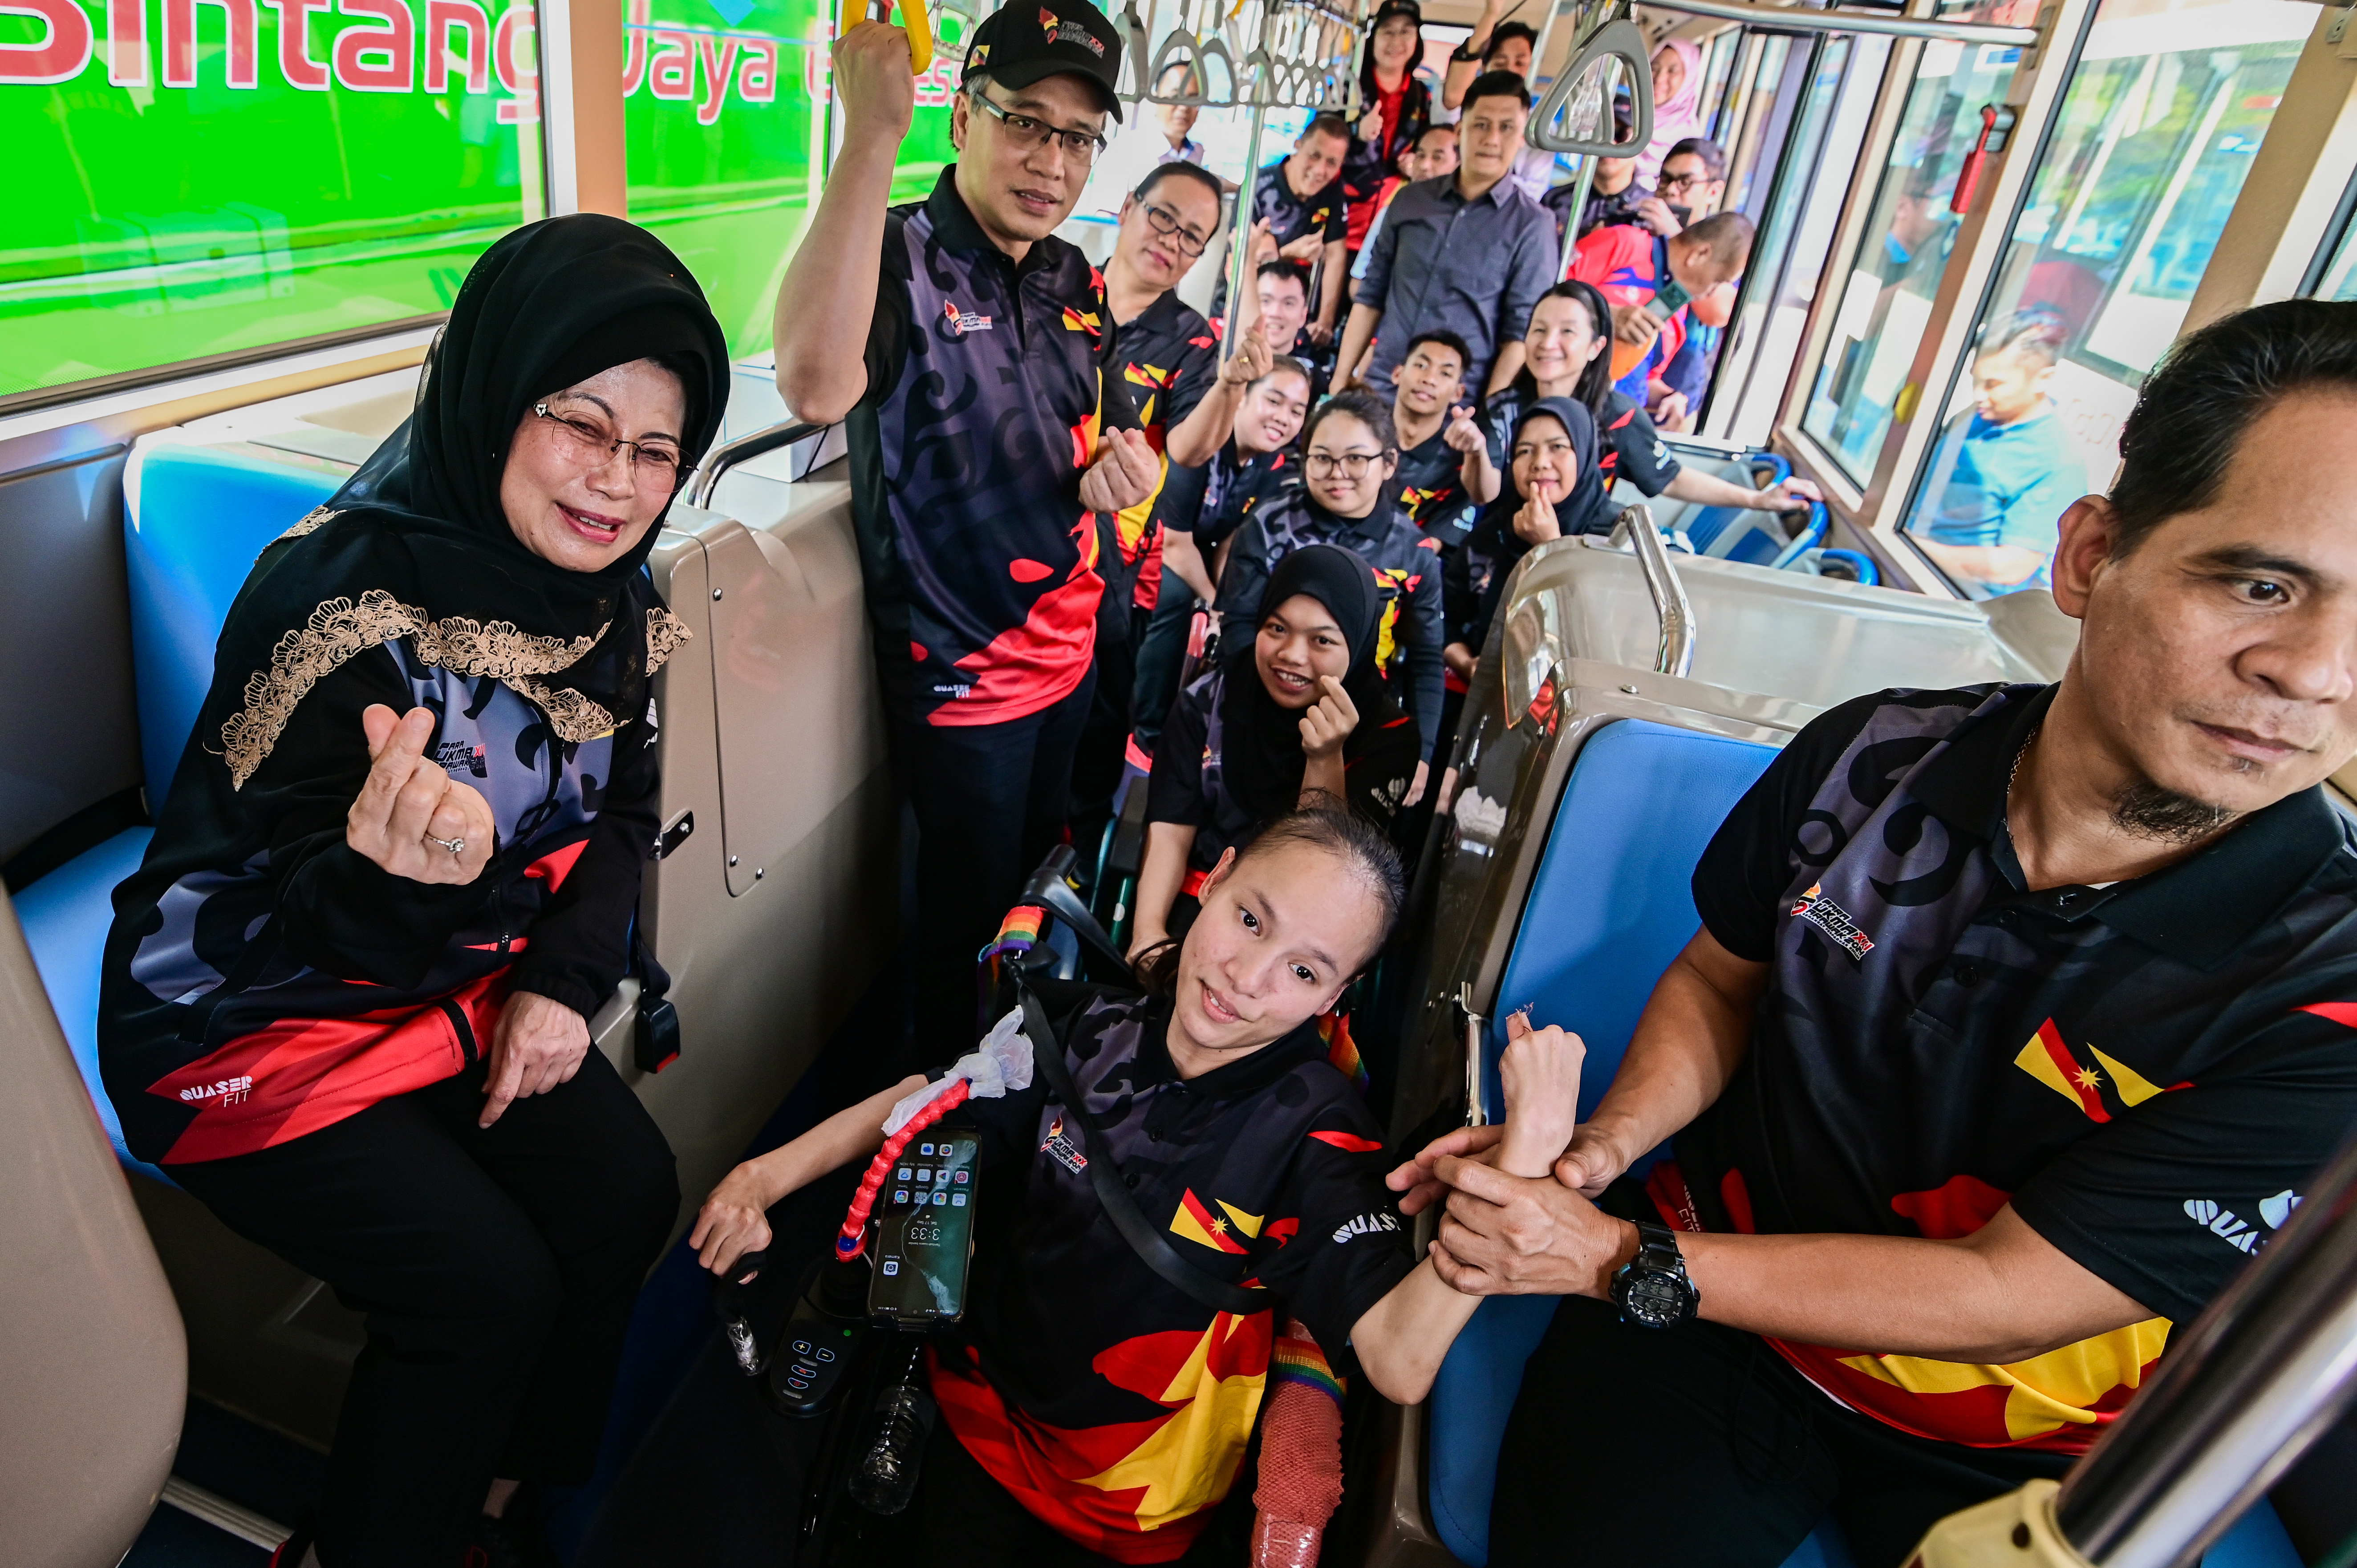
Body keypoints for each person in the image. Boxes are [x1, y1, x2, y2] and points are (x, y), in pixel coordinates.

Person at [1392, 297, 2357, 1565]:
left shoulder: (2324, 997)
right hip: (1711, 1310)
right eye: (2259, 584)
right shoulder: (1871, 761)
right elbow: (1721, 981)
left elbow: (2009, 1291)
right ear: (2088, 557)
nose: (2314, 673)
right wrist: (1603, 1148)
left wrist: (1612, 1255)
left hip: (2021, 1437)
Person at [95, 214, 726, 1568]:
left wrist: (561, 984)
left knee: (625, 1190)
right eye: (581, 423)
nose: (616, 480)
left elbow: (622, 810)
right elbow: (295, 909)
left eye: (655, 449)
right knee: (482, 1295)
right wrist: (396, 881)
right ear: (497, 395)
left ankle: (493, 1498)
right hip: (250, 1010)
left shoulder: (613, 598)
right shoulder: (337, 604)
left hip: (457, 976)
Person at [691, 806, 1553, 1563]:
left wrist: (1525, 1161)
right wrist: (763, 1176)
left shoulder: (1317, 1135)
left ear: (1336, 993)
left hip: (1135, 1507)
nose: (1247, 978)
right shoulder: (1087, 1027)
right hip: (982, 1427)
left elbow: (1400, 1357)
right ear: (1215, 879)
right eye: (1251, 919)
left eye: (1303, 970)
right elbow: (935, 1094)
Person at [771, 0, 1162, 1050]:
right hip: (965, 682)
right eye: (1024, 122)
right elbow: (812, 383)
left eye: (1077, 138)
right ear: (961, 117)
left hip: (1073, 651)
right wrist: (868, 135)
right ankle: (948, 1111)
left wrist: (1123, 471)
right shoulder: (895, 254)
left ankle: (1026, 1068)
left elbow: (1105, 430)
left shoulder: (1074, 278)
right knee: (965, 933)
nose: (1051, 161)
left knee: (1040, 892)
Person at [1074, 162, 1275, 859]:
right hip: (1024, 549)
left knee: (1094, 740)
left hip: (1109, 576)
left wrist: (1230, 385)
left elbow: (1188, 447)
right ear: (1128, 206)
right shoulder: (1058, 291)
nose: (1171, 240)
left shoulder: (1190, 340)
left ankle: (1074, 870)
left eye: (1192, 236)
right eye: (1163, 217)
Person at [1132, 545, 1422, 952]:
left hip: (1307, 929)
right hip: (1204, 893)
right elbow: (1170, 830)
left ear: (1358, 644)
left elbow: (1327, 874)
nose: (1291, 655)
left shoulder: (1389, 735)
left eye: (1322, 639)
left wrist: (1324, 757)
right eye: (1276, 628)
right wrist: (1148, 937)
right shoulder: (1209, 701)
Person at [1217, 391, 1444, 799]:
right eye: (1322, 458)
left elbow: (1426, 659)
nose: (1338, 473)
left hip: (1359, 723)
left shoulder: (1414, 553)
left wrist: (1422, 752)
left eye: (1355, 458)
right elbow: (1238, 624)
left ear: (1388, 463)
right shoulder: (1268, 524)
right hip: (1261, 709)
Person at [1483, 280, 1816, 517]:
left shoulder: (1619, 416)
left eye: (1567, 332)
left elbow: (1670, 478)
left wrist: (1758, 500)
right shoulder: (1502, 410)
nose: (1548, 343)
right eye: (1539, 330)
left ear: (1596, 347)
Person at [1339, 72, 1556, 400]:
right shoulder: (1410, 201)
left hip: (1457, 403)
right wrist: (1341, 379)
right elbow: (1371, 296)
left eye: (1506, 127)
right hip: (1384, 386)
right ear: (1459, 130)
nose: (1492, 139)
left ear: (1522, 136)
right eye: (1481, 124)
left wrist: (1486, 415)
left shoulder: (1532, 226)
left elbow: (1519, 336)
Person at [1139, 357, 1315, 757]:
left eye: (1297, 410)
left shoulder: (1272, 461)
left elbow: (1234, 544)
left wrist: (1229, 604)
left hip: (1196, 551)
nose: (1283, 418)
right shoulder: (1202, 438)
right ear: (1242, 397)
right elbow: (1173, 544)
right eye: (1274, 400)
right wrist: (1213, 601)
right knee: (1174, 597)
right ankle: (1147, 734)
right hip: (1147, 544)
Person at [1908, 312, 2087, 598]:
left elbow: (2012, 568)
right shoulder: (1973, 418)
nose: (1979, 395)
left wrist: (1913, 546)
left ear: (2043, 379)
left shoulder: (2059, 463)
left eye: (1993, 384)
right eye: (1976, 381)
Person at [1445, 396, 1617, 686]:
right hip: (1485, 690)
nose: (1539, 463)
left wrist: (1549, 547)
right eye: (1525, 451)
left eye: (1557, 447)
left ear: (1585, 452)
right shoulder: (1496, 532)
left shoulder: (1616, 538)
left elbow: (1603, 641)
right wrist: (1464, 663)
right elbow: (1444, 614)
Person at [1567, 207, 1753, 414]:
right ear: (1700, 254)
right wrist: (1607, 315)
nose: (1712, 292)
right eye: (1718, 281)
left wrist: (1670, 398)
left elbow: (1642, 379)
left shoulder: (1678, 315)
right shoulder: (1624, 243)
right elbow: (1548, 293)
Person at [1220, 114, 1353, 336]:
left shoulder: (1333, 192)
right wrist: (1289, 254)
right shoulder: (1258, 187)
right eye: (1315, 156)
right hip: (1241, 310)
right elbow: (1240, 264)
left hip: (1293, 317)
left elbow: (1336, 255)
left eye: (1331, 163)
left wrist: (1325, 322)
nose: (1320, 170)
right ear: (1297, 146)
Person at [1342, 0, 1435, 257]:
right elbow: (1319, 137)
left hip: (1388, 229)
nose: (1396, 42)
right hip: (1339, 223)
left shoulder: (1421, 96)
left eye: (1406, 32)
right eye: (1388, 32)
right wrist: (1355, 132)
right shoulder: (1348, 86)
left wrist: (1414, 161)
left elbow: (1423, 148)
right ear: (1374, 38)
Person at [1388, 328, 1495, 549]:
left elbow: (1485, 495)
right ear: (1397, 373)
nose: (1429, 379)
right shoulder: (1362, 434)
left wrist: (1477, 452)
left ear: (1458, 393)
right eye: (1421, 366)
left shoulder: (1458, 464)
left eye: (1445, 374)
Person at [1438, 7, 1556, 200]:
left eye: (1520, 63)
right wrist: (1491, 14)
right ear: (1485, 67)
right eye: (1500, 63)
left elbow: (1533, 191)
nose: (1510, 70)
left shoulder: (1541, 127)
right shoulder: (1466, 108)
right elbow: (1452, 98)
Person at [1352, 121, 1460, 288]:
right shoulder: (1392, 213)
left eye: (1438, 158)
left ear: (1460, 166)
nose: (1424, 166)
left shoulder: (1469, 222)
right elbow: (1358, 284)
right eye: (1421, 156)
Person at [1635, 36, 1705, 186]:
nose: (1659, 79)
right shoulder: (1626, 118)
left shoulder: (1691, 144)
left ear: (1689, 79)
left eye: (1672, 71)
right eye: (1654, 69)